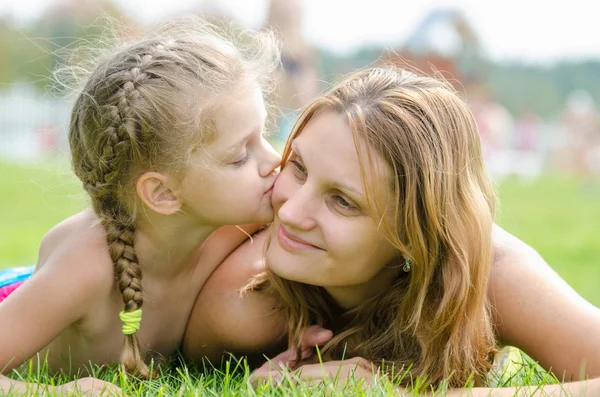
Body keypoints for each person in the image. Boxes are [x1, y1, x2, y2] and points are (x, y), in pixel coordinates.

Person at [183, 67, 600, 396]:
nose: (290, 211)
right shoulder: (247, 303)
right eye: (299, 167)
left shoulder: (489, 270)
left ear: (416, 238)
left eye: (343, 201)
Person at [0, 16, 281, 395]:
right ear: (163, 194)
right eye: (239, 156)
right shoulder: (86, 268)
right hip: (19, 294)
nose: (274, 161)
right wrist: (54, 391)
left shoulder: (233, 226)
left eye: (264, 135)